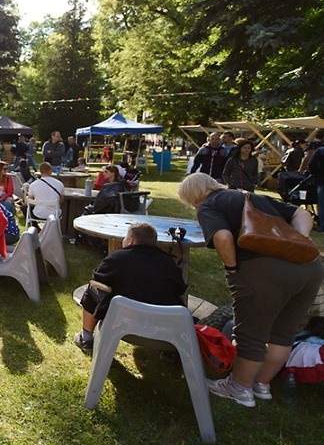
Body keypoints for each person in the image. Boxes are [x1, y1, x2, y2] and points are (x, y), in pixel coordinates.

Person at [177, 173, 323, 407]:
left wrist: (232, 268)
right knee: (283, 333)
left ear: (192, 196)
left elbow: (223, 237)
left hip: (264, 270)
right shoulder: (253, 196)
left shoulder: (208, 205)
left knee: (251, 332)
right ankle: (261, 384)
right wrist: (297, 240)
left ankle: (240, 388)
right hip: (310, 268)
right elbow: (302, 213)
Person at [73, 223, 187, 353]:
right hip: (164, 323)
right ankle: (171, 353)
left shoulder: (117, 258)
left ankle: (86, 339)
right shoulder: (168, 261)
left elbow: (98, 280)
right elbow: (180, 288)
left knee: (92, 289)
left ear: (130, 240)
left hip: (125, 320)